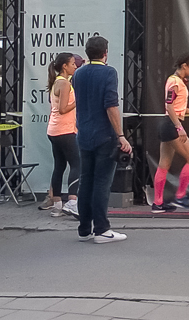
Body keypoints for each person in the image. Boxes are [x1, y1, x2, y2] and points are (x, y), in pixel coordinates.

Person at [73, 35, 131, 244]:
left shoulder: (78, 74)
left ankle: (84, 229)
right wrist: (121, 135)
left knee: (85, 181)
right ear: (105, 52)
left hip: (84, 134)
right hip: (104, 135)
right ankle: (102, 229)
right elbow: (111, 106)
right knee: (102, 183)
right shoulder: (109, 72)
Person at [152, 52, 189, 213]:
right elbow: (169, 106)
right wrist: (179, 127)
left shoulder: (176, 81)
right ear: (184, 66)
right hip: (172, 125)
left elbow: (176, 106)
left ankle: (158, 203)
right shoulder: (175, 82)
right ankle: (180, 196)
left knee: (164, 164)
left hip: (169, 125)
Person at [46, 53, 80, 219]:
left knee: (59, 165)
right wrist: (78, 100)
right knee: (76, 164)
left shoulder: (58, 82)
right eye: (73, 64)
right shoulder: (64, 84)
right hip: (64, 130)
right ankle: (72, 201)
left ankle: (57, 204)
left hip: (55, 130)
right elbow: (63, 109)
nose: (75, 66)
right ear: (65, 66)